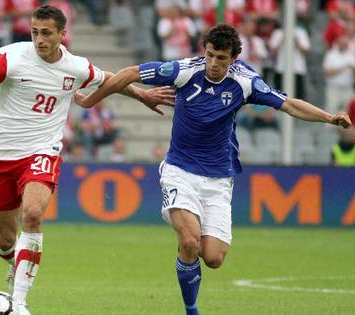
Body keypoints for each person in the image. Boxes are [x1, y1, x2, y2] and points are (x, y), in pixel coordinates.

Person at [0, 6, 174, 314]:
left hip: (41, 151)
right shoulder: (9, 58)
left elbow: (111, 79)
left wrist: (142, 95)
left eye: (46, 33)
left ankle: (20, 304)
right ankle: (15, 262)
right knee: (5, 239)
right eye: (35, 32)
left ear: (63, 34)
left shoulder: (75, 67)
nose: (39, 39)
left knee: (34, 214)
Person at [76, 24, 352, 315]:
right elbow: (131, 73)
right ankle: (191, 309)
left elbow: (288, 105)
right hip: (179, 170)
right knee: (190, 241)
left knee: (214, 257)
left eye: (221, 58)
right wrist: (91, 101)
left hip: (219, 178)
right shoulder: (184, 70)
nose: (214, 63)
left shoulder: (245, 82)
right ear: (204, 51)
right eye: (210, 55)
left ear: (233, 59)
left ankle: (188, 255)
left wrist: (329, 118)